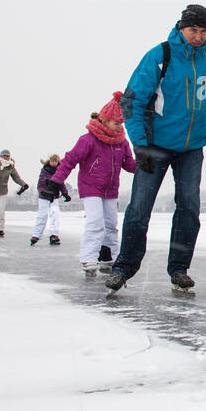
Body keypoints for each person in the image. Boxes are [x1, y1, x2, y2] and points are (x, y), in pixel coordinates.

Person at [104, 4, 206, 295]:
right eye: (192, 30)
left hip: (191, 149)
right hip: (155, 147)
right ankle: (123, 267)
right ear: (181, 28)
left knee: (189, 209)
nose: (198, 36)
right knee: (139, 208)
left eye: (203, 31)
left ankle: (179, 269)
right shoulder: (161, 55)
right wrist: (140, 144)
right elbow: (132, 100)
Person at [49, 92, 137, 279]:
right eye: (116, 123)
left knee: (111, 224)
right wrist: (56, 181)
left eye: (121, 123)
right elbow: (69, 160)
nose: (119, 127)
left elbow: (129, 164)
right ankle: (89, 258)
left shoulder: (122, 142)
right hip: (91, 187)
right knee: (95, 222)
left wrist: (146, 166)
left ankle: (108, 257)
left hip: (111, 189)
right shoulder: (88, 140)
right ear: (104, 121)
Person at [31, 155, 70, 246]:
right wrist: (44, 192)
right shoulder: (45, 170)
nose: (53, 163)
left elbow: (61, 183)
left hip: (54, 197)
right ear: (49, 161)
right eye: (52, 161)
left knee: (55, 215)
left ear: (58, 162)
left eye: (55, 161)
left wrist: (65, 193)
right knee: (42, 215)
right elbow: (40, 183)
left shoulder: (59, 170)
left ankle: (54, 235)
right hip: (44, 197)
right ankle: (36, 235)